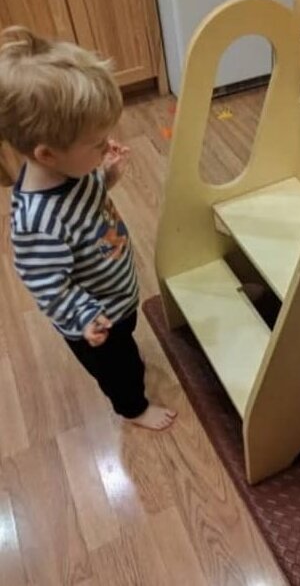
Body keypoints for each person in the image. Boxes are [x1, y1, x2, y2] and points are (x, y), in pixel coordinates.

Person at [0, 26, 176, 430]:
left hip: (115, 297)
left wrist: (106, 176)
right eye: (97, 143)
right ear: (47, 154)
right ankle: (133, 408)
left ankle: (127, 364)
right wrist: (84, 317)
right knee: (118, 371)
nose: (106, 145)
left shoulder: (68, 172)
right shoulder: (37, 223)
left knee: (126, 348)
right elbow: (47, 285)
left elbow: (85, 203)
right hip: (96, 323)